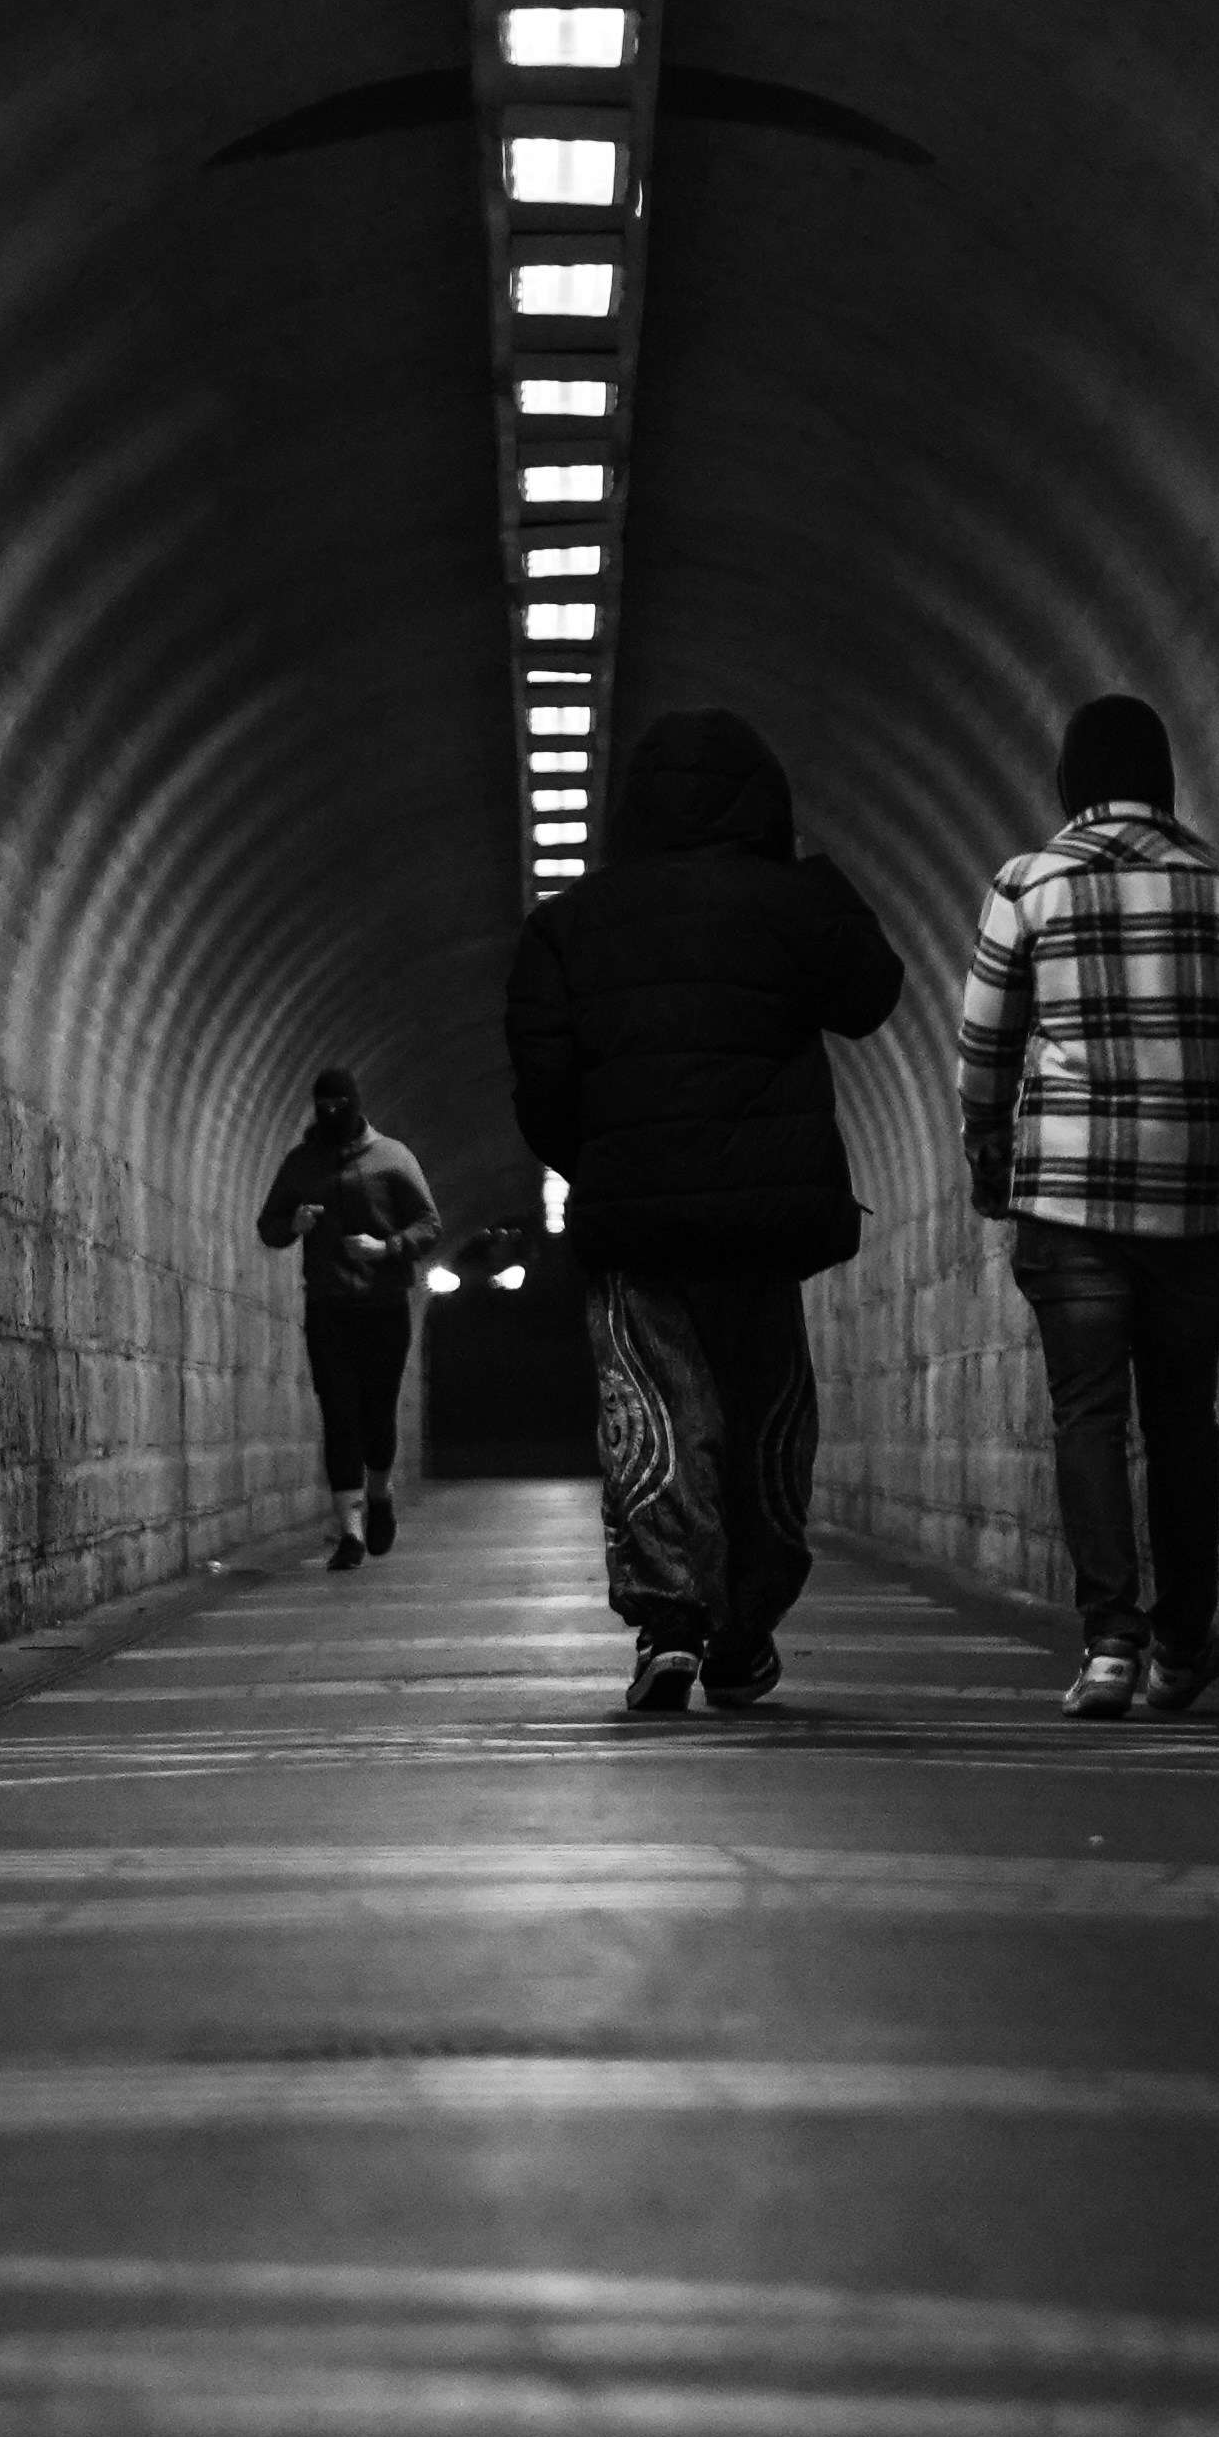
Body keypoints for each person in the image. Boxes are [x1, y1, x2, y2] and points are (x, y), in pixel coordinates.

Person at [506, 701, 904, 1715]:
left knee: (653, 1407)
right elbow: (870, 993)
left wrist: (602, 1161)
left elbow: (542, 1088)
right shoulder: (789, 900)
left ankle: (669, 1620)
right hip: (763, 1222)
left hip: (637, 1223)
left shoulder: (564, 925)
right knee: (765, 1414)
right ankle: (746, 1624)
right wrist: (813, 874)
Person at [957, 689, 1219, 1717]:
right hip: (1188, 1205)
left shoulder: (1024, 888)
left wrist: (990, 1166)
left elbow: (983, 1048)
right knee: (1180, 1419)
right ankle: (1179, 1639)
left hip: (1067, 1202)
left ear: (1069, 784)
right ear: (1164, 780)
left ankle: (1108, 1641)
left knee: (1086, 1410)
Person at [253, 1065, 441, 1568]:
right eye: (323, 1105)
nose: (331, 1113)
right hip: (328, 1306)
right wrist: (293, 1224)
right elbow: (269, 1226)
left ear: (355, 1105)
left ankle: (379, 1494)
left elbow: (430, 1224)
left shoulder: (392, 1158)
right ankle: (350, 1534)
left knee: (377, 1414)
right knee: (338, 1414)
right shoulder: (301, 1164)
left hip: (384, 1305)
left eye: (340, 1104)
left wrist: (386, 1247)